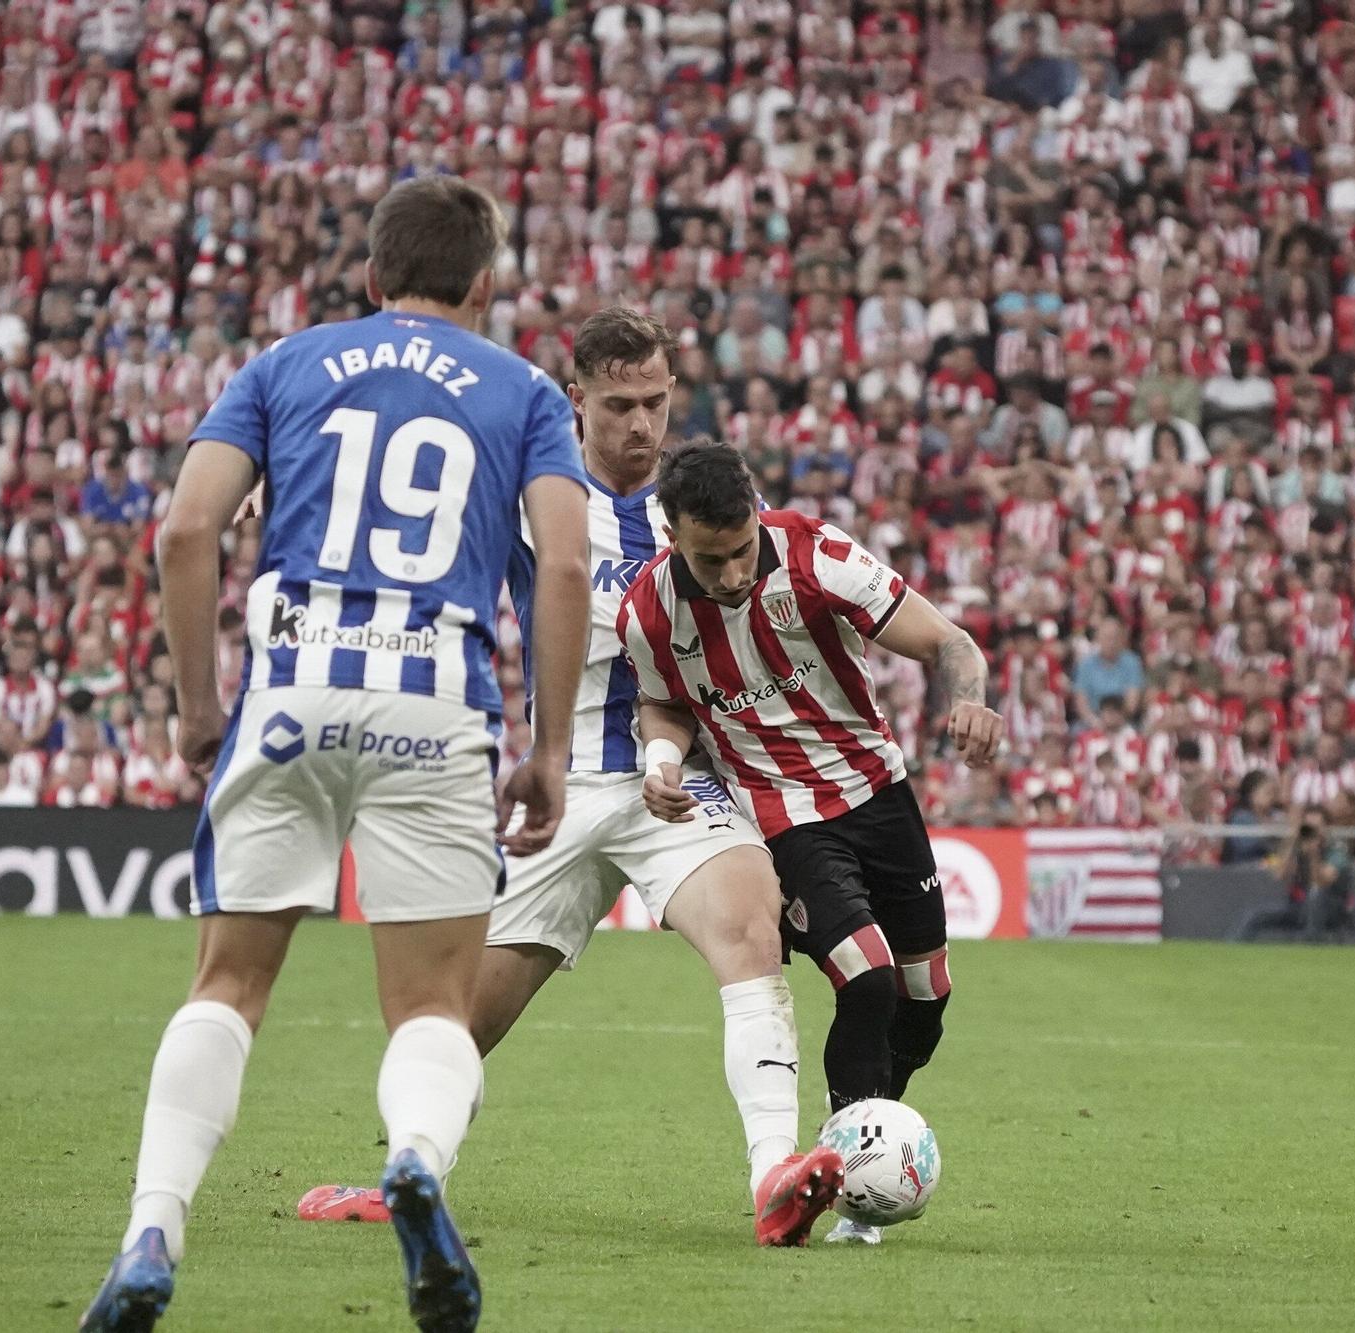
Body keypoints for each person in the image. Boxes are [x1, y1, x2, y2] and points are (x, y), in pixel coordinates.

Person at [79, 177, 593, 1333]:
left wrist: (199, 704)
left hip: (293, 688)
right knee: (429, 1005)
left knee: (226, 985)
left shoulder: (284, 365)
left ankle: (151, 1230)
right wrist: (550, 746)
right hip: (433, 701)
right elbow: (562, 567)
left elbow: (184, 531)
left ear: (371, 277)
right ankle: (412, 1155)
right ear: (483, 284)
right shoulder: (521, 393)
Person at [301, 309, 843, 1248]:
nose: (644, 425)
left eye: (658, 402)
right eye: (622, 405)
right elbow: (408, 537)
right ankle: (409, 1175)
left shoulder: (709, 508)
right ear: (576, 397)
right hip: (563, 787)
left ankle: (773, 1177)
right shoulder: (531, 493)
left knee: (752, 930)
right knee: (463, 1013)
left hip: (677, 782)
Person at [616, 440, 1006, 1246]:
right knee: (863, 977)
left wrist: (971, 700)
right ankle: (846, 1186)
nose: (728, 574)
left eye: (739, 551)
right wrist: (661, 761)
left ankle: (863, 1146)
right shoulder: (650, 611)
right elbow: (665, 706)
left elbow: (949, 641)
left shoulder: (817, 556)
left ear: (757, 514)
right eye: (707, 559)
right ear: (672, 536)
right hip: (783, 817)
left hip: (880, 794)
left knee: (923, 1001)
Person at [1227, 808, 1355, 942]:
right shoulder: (1299, 848)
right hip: (1299, 907)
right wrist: (1292, 842)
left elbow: (1321, 882)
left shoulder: (1336, 850)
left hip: (1331, 909)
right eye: (1308, 827)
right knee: (1255, 916)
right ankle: (1233, 950)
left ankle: (1310, 945)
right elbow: (1279, 875)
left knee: (1316, 896)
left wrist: (1314, 855)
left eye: (1316, 827)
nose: (1312, 831)